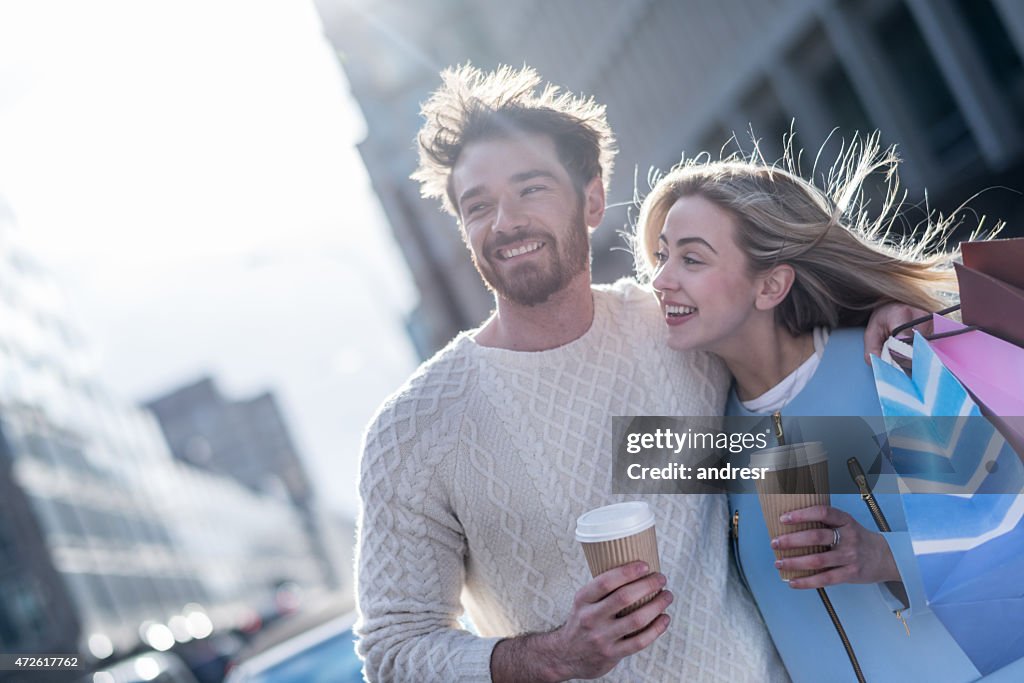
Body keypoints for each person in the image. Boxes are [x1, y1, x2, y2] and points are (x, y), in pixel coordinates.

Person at [355, 64, 912, 683]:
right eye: (477, 205)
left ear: (592, 198)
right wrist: (553, 655)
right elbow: (393, 649)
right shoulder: (413, 428)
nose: (504, 221)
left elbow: (785, 344)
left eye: (530, 189)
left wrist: (886, 312)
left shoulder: (677, 332)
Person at [634, 138, 1020, 681]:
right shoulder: (707, 432)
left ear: (771, 285)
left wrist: (883, 558)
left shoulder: (888, 366)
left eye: (691, 258)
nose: (661, 279)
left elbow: (1011, 540)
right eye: (661, 256)